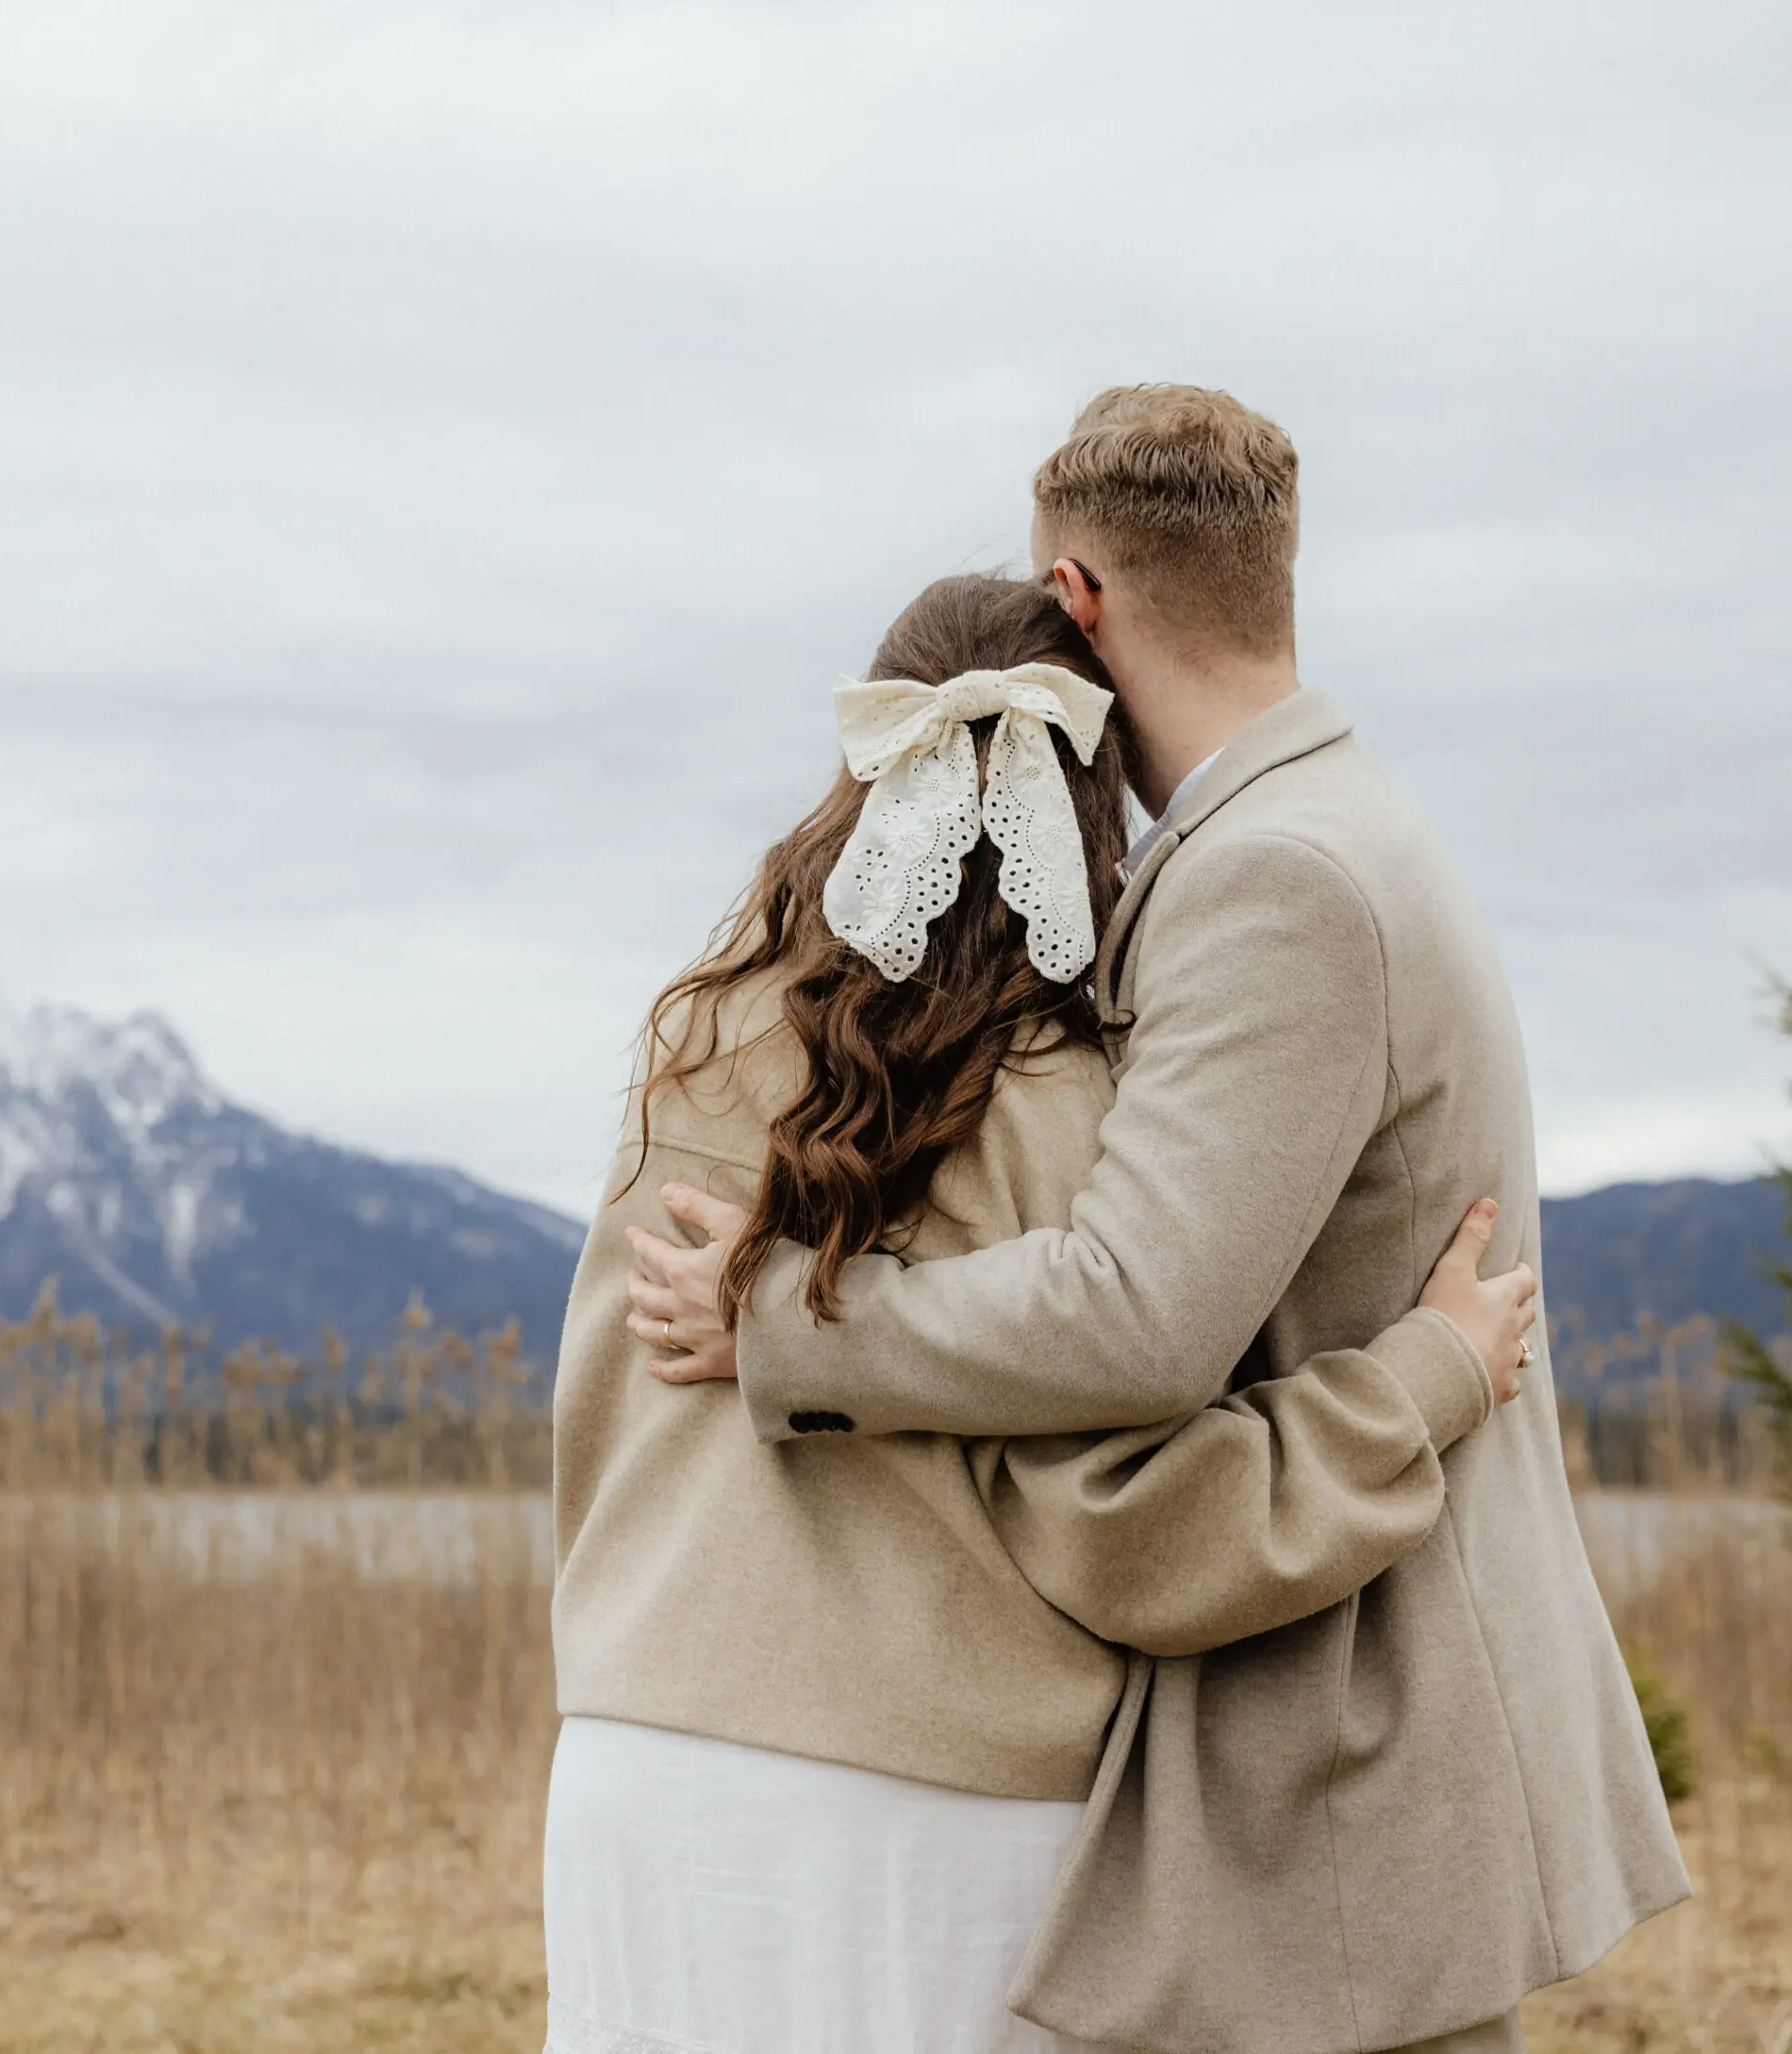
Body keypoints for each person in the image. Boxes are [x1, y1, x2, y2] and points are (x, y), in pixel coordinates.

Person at [626, 386, 1690, 2054]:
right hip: (1311, 1674)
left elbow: (1138, 1314)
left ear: (1079, 595)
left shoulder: (1279, 875)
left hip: (1345, 1711)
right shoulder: (1325, 828)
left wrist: (785, 1318)